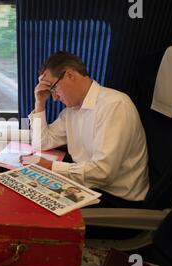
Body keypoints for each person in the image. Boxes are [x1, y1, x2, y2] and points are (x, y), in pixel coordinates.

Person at [21, 51, 149, 208]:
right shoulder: (71, 111)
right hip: (88, 186)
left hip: (116, 199)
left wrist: (50, 166)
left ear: (69, 75)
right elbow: (42, 143)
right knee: (27, 192)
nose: (54, 98)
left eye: (53, 88)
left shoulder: (114, 105)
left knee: (37, 209)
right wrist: (39, 102)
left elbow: (103, 172)